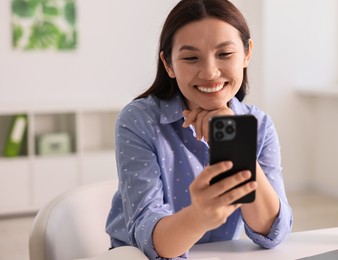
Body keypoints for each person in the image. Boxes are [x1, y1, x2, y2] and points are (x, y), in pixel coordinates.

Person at [105, 0, 293, 259]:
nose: (210, 72)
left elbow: (272, 232)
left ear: (247, 53)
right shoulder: (138, 120)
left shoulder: (259, 124)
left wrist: (236, 142)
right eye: (191, 57)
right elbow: (149, 240)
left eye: (225, 54)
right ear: (169, 64)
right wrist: (199, 216)